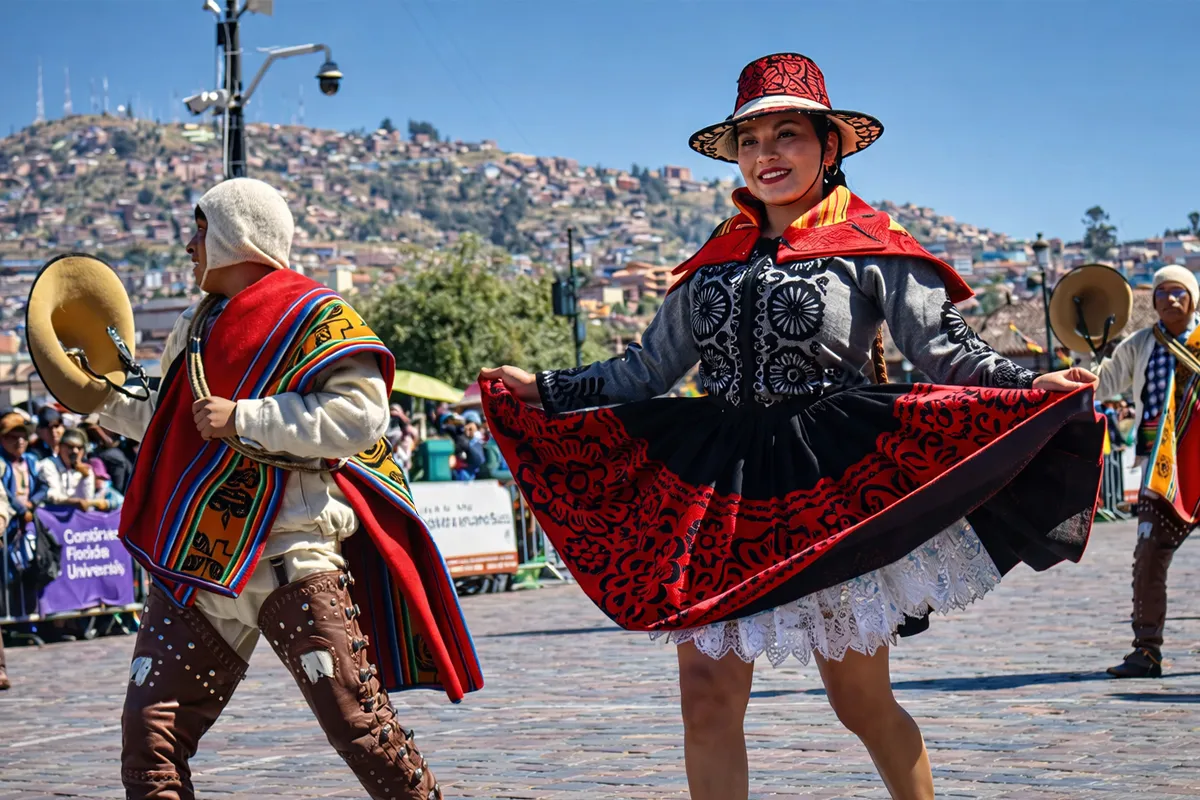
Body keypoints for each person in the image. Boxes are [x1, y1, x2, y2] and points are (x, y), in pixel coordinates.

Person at [480, 53, 1105, 800]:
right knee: (706, 696)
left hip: (829, 487)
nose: (765, 155)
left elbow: (946, 350)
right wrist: (547, 389)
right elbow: (647, 369)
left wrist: (1030, 383)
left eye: (787, 135)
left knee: (859, 701)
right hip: (719, 492)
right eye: (750, 141)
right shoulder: (715, 257)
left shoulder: (874, 246)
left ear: (829, 146)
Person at [93, 178, 480, 800]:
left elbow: (360, 415)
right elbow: (173, 422)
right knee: (150, 733)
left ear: (235, 234)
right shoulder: (194, 326)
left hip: (292, 557)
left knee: (361, 731)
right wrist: (102, 400)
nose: (189, 246)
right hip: (200, 562)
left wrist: (245, 417)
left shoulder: (318, 314)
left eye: (200, 230)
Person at [1097, 265, 1200, 678]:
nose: (1170, 299)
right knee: (1149, 555)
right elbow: (1104, 385)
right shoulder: (1140, 344)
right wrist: (1086, 357)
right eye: (1162, 293)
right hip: (1163, 469)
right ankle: (1146, 651)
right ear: (1153, 300)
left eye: (1179, 292)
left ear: (1193, 298)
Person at [37, 427, 105, 511]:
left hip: (74, 517)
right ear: (60, 447)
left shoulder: (86, 470)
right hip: (50, 513)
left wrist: (85, 476)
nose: (75, 451)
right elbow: (52, 495)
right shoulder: (47, 464)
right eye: (70, 447)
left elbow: (86, 501)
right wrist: (74, 502)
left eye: (79, 448)